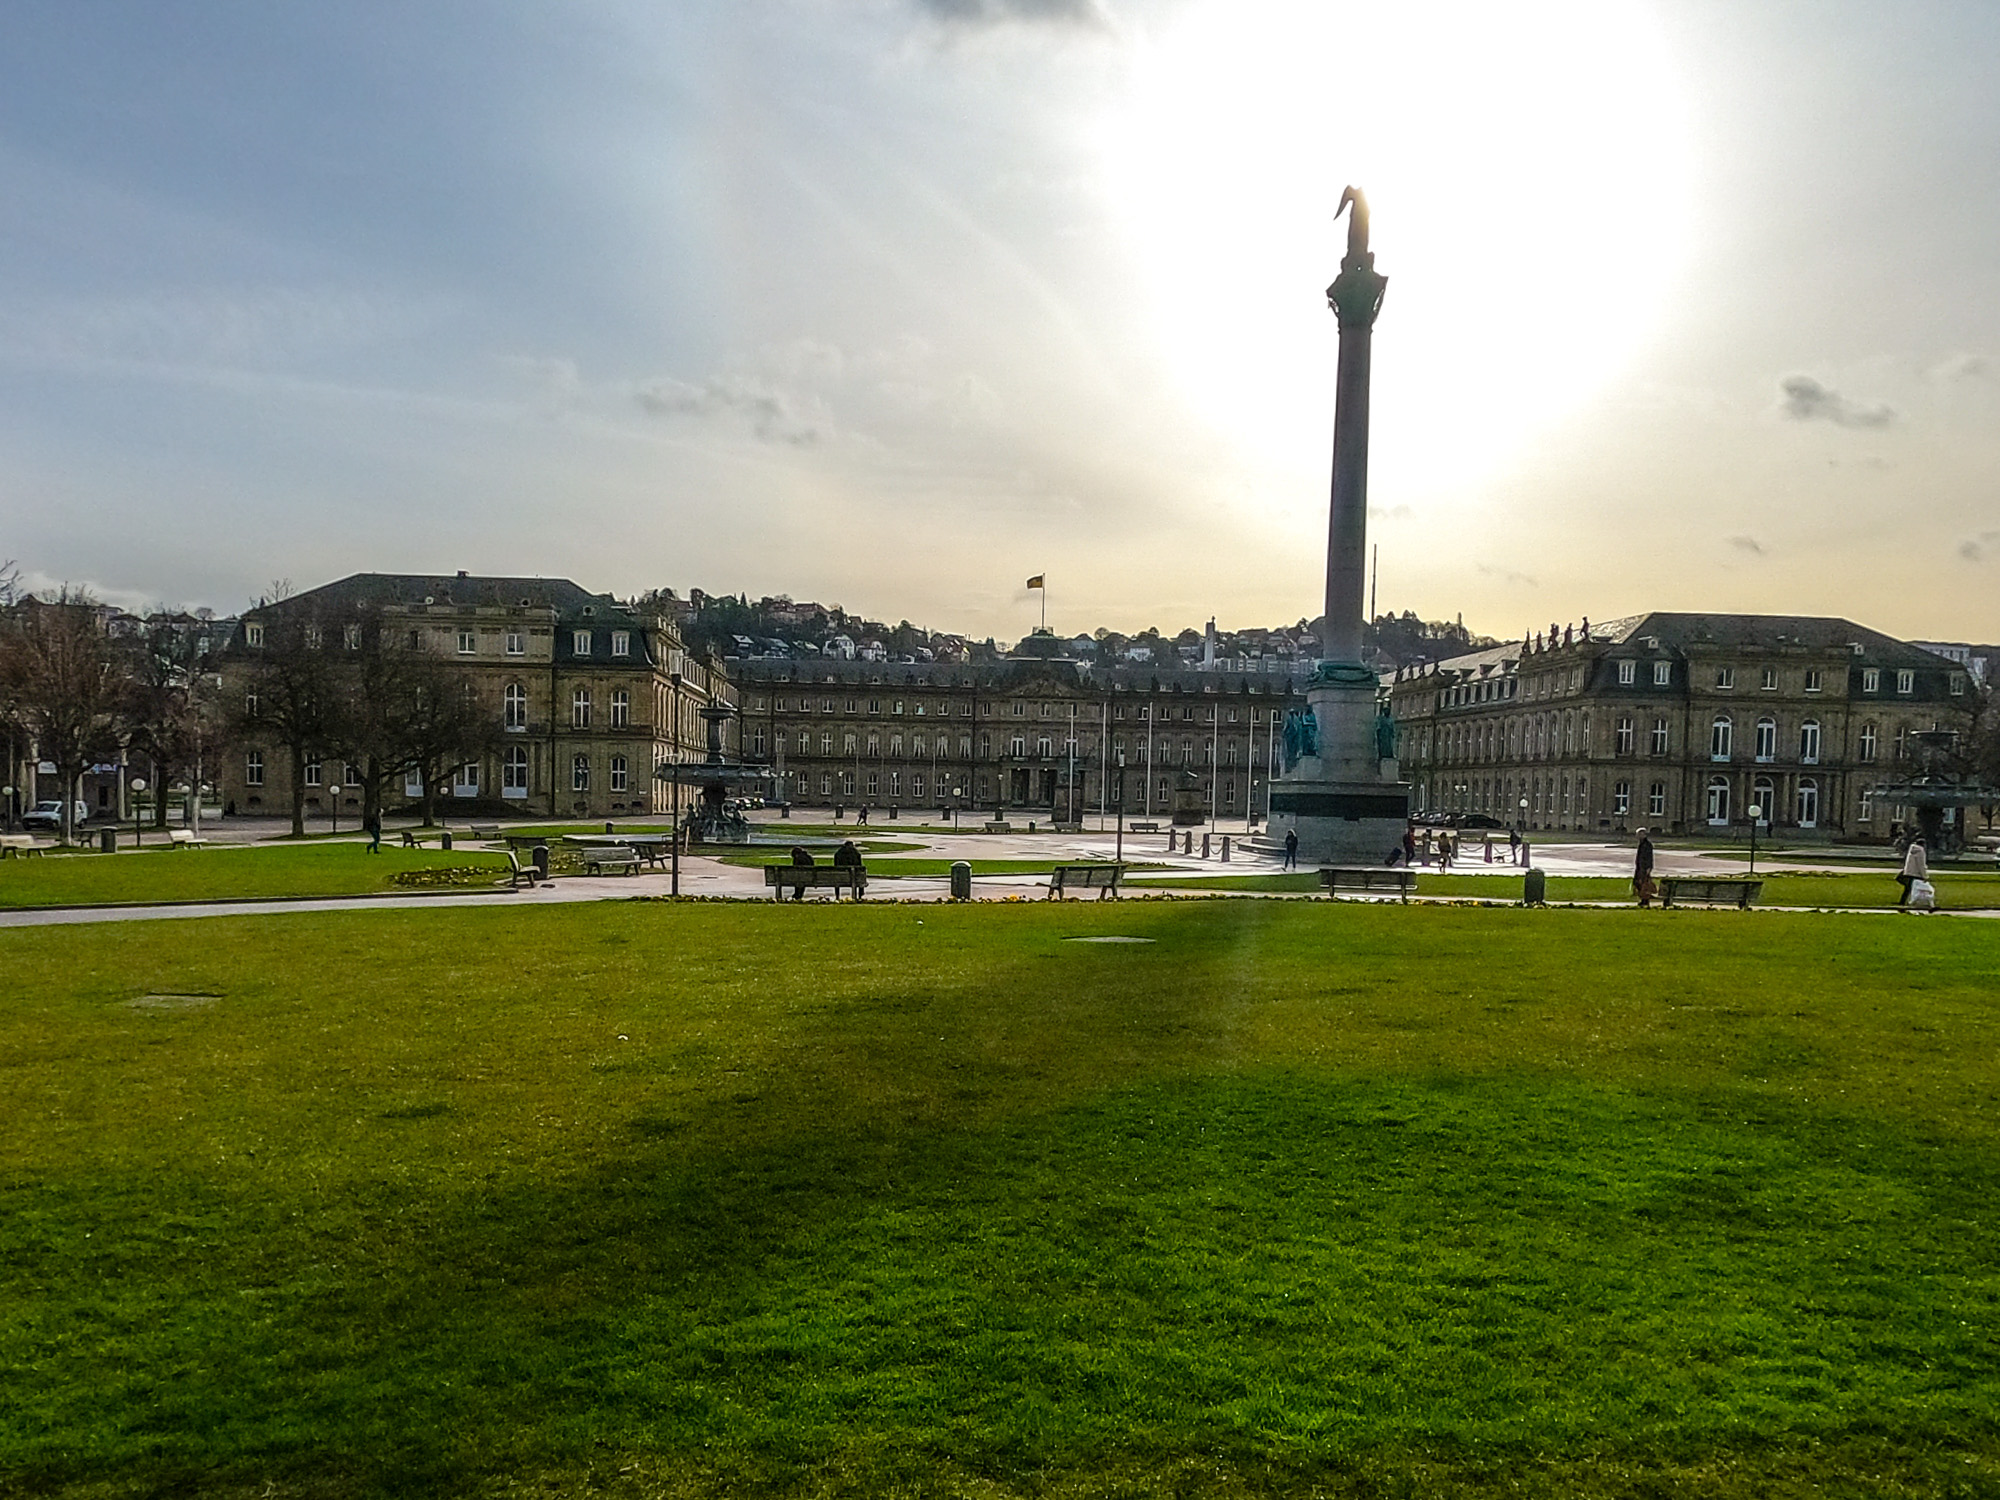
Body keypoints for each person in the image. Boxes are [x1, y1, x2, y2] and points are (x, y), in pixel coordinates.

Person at [1898, 836, 1928, 906]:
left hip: (1909, 871)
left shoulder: (1911, 849)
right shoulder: (1921, 851)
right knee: (1914, 889)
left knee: (1908, 888)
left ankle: (1903, 901)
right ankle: (1911, 901)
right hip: (1916, 873)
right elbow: (1921, 864)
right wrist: (1924, 875)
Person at [1633, 827, 1655, 907]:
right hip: (1640, 867)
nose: (1637, 836)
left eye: (1638, 834)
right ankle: (1643, 899)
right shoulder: (1642, 844)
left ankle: (1645, 900)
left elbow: (1649, 857)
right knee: (1638, 883)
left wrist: (1649, 868)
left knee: (1644, 884)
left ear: (1643, 834)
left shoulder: (1647, 844)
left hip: (1644, 867)